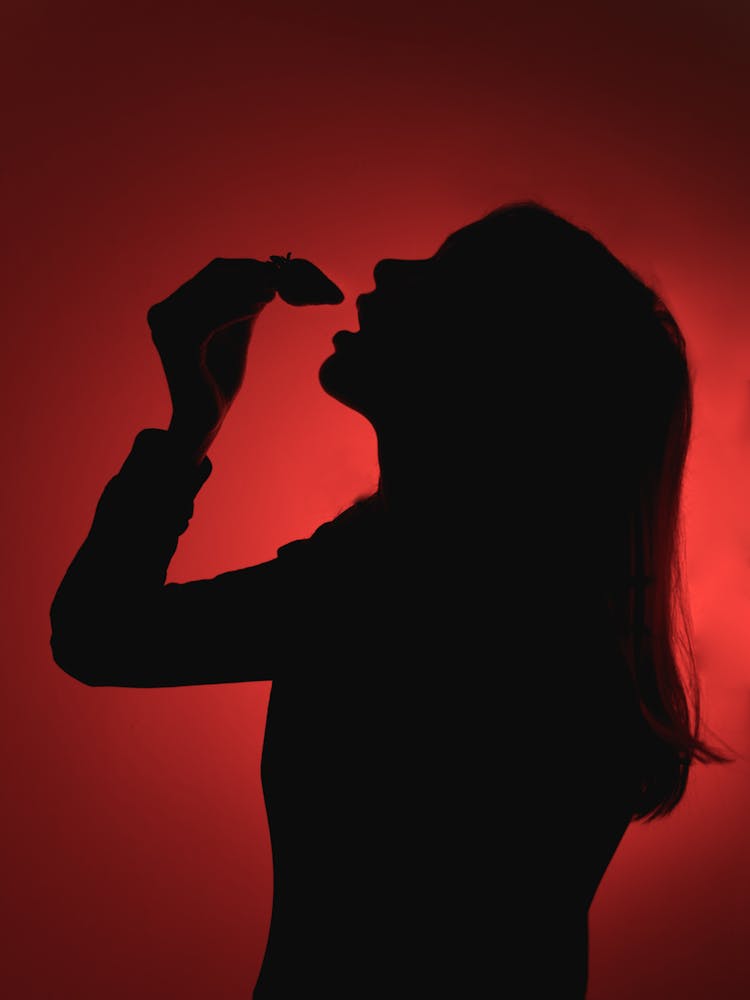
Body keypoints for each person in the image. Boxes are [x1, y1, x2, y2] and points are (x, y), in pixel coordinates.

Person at [49, 201, 728, 997]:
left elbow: (99, 635)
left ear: (498, 368)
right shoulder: (540, 602)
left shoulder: (388, 582)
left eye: (445, 275)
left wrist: (193, 423)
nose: (386, 272)